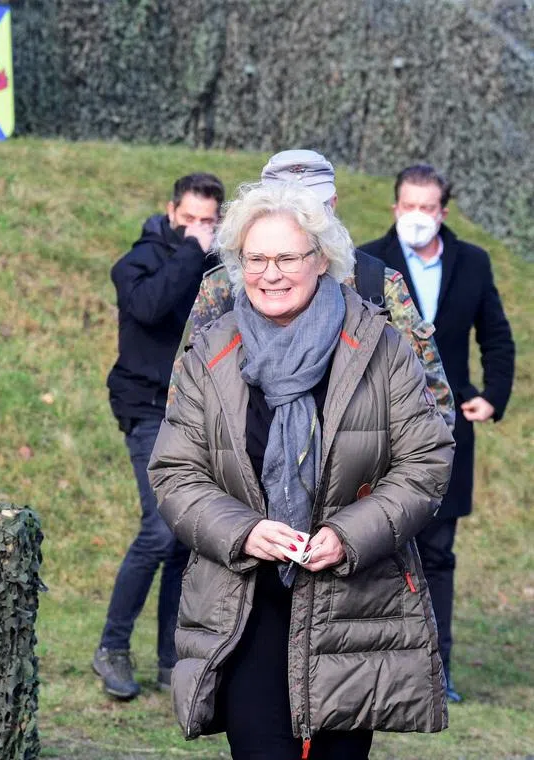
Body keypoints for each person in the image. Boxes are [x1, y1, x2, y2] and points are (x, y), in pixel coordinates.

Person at [150, 181, 454, 759]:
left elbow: (426, 460)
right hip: (245, 602)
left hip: (354, 606)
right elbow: (175, 471)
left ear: (321, 259)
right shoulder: (210, 351)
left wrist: (348, 535)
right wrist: (243, 531)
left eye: (287, 257)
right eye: (256, 258)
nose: (271, 273)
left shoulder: (381, 346)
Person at [358, 164, 515, 703]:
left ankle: (435, 669)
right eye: (409, 206)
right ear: (395, 206)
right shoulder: (367, 263)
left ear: (443, 212)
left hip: (447, 432)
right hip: (379, 428)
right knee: (378, 545)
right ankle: (377, 666)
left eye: (428, 208)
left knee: (439, 553)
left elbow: (496, 335)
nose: (417, 217)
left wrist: (493, 395)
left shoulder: (472, 263)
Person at [176, 149, 455, 432]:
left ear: (333, 204)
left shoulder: (376, 284)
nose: (302, 218)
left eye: (313, 206)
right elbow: (184, 403)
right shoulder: (226, 285)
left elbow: (433, 407)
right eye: (287, 206)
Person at [93, 173, 225, 700]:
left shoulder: (220, 269)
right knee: (160, 531)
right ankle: (112, 647)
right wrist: (193, 251)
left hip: (197, 412)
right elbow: (149, 307)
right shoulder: (138, 263)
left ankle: (173, 660)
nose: (199, 230)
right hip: (146, 408)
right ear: (170, 211)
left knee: (186, 537)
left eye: (209, 222)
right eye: (190, 219)